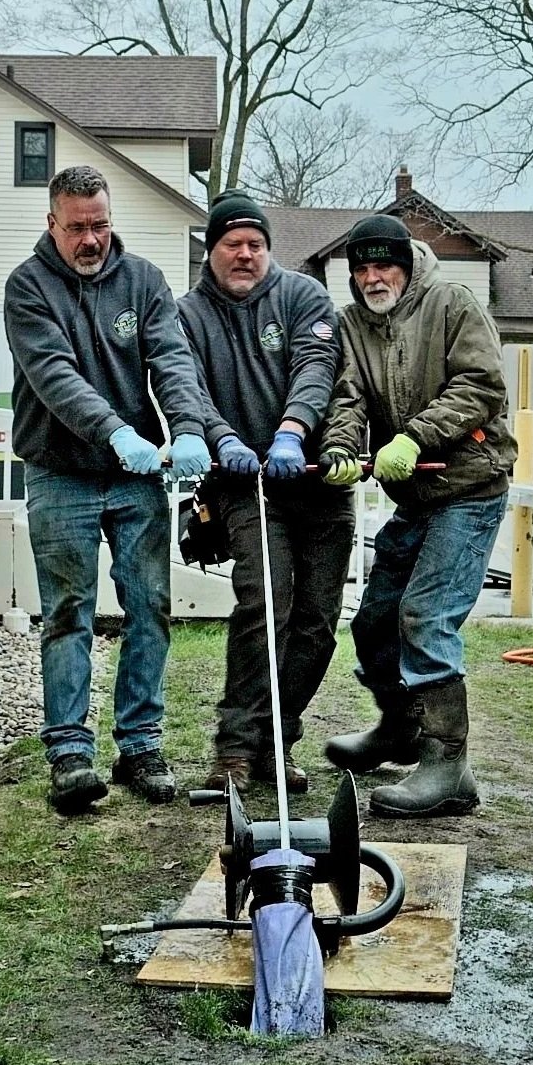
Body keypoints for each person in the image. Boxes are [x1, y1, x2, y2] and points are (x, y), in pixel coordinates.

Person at [4, 165, 212, 815]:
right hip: (60, 472)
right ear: (51, 223)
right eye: (77, 228)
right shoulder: (28, 288)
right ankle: (70, 753)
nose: (90, 239)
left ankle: (140, 746)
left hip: (135, 479)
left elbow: (172, 360)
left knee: (149, 605)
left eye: (100, 225)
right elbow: (55, 376)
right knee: (68, 612)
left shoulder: (145, 281)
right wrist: (118, 431)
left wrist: (186, 427)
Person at [318, 215, 517, 818]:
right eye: (363, 268)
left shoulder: (452, 303)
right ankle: (399, 729)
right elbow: (348, 397)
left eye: (385, 265)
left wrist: (413, 438)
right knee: (376, 620)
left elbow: (481, 383)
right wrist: (341, 449)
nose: (374, 277)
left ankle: (449, 766)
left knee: (426, 616)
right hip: (417, 500)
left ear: (406, 265)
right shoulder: (352, 323)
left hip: (469, 487)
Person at [178, 190, 356, 795]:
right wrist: (223, 438)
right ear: (212, 250)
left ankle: (276, 741)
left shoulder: (304, 296)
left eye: (256, 244)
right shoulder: (187, 316)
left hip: (314, 480)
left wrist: (292, 431)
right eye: (234, 244)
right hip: (242, 485)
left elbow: (317, 365)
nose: (246, 254)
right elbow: (188, 389)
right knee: (266, 601)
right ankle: (234, 748)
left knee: (317, 623)